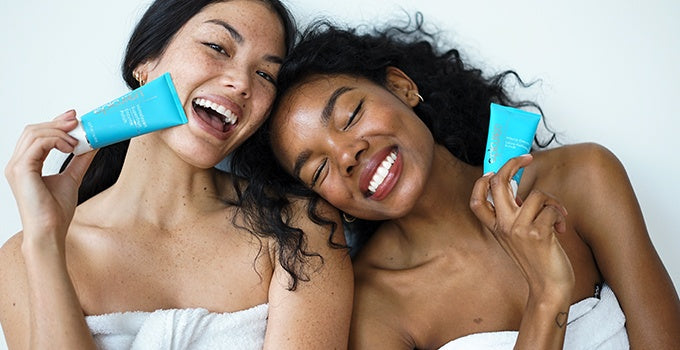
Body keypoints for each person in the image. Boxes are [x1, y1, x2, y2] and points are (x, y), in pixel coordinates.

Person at [232, 15, 680, 349]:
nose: (348, 155)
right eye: (320, 170)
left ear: (403, 88)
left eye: (350, 115)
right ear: (329, 201)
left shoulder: (584, 179)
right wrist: (547, 295)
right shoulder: (375, 308)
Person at [0, 1, 353, 349]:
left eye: (265, 75)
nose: (242, 83)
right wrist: (45, 240)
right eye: (217, 47)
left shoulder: (301, 229)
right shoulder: (26, 256)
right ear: (144, 63)